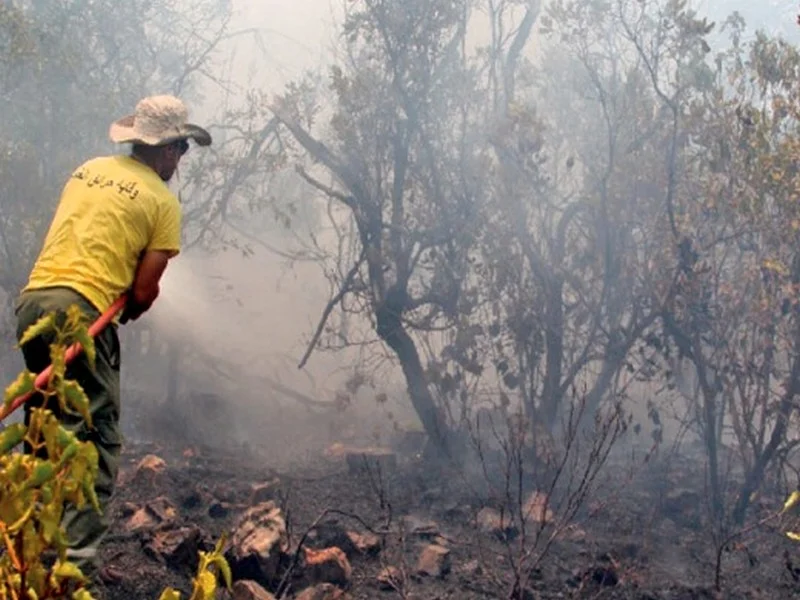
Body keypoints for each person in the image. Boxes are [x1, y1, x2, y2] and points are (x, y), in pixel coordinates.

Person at [13, 95, 212, 583]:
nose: (181, 159)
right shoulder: (162, 203)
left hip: (33, 303)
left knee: (42, 429)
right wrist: (130, 301)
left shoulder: (88, 170)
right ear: (164, 150)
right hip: (82, 314)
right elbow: (142, 294)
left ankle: (19, 549)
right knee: (96, 439)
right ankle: (71, 572)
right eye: (181, 148)